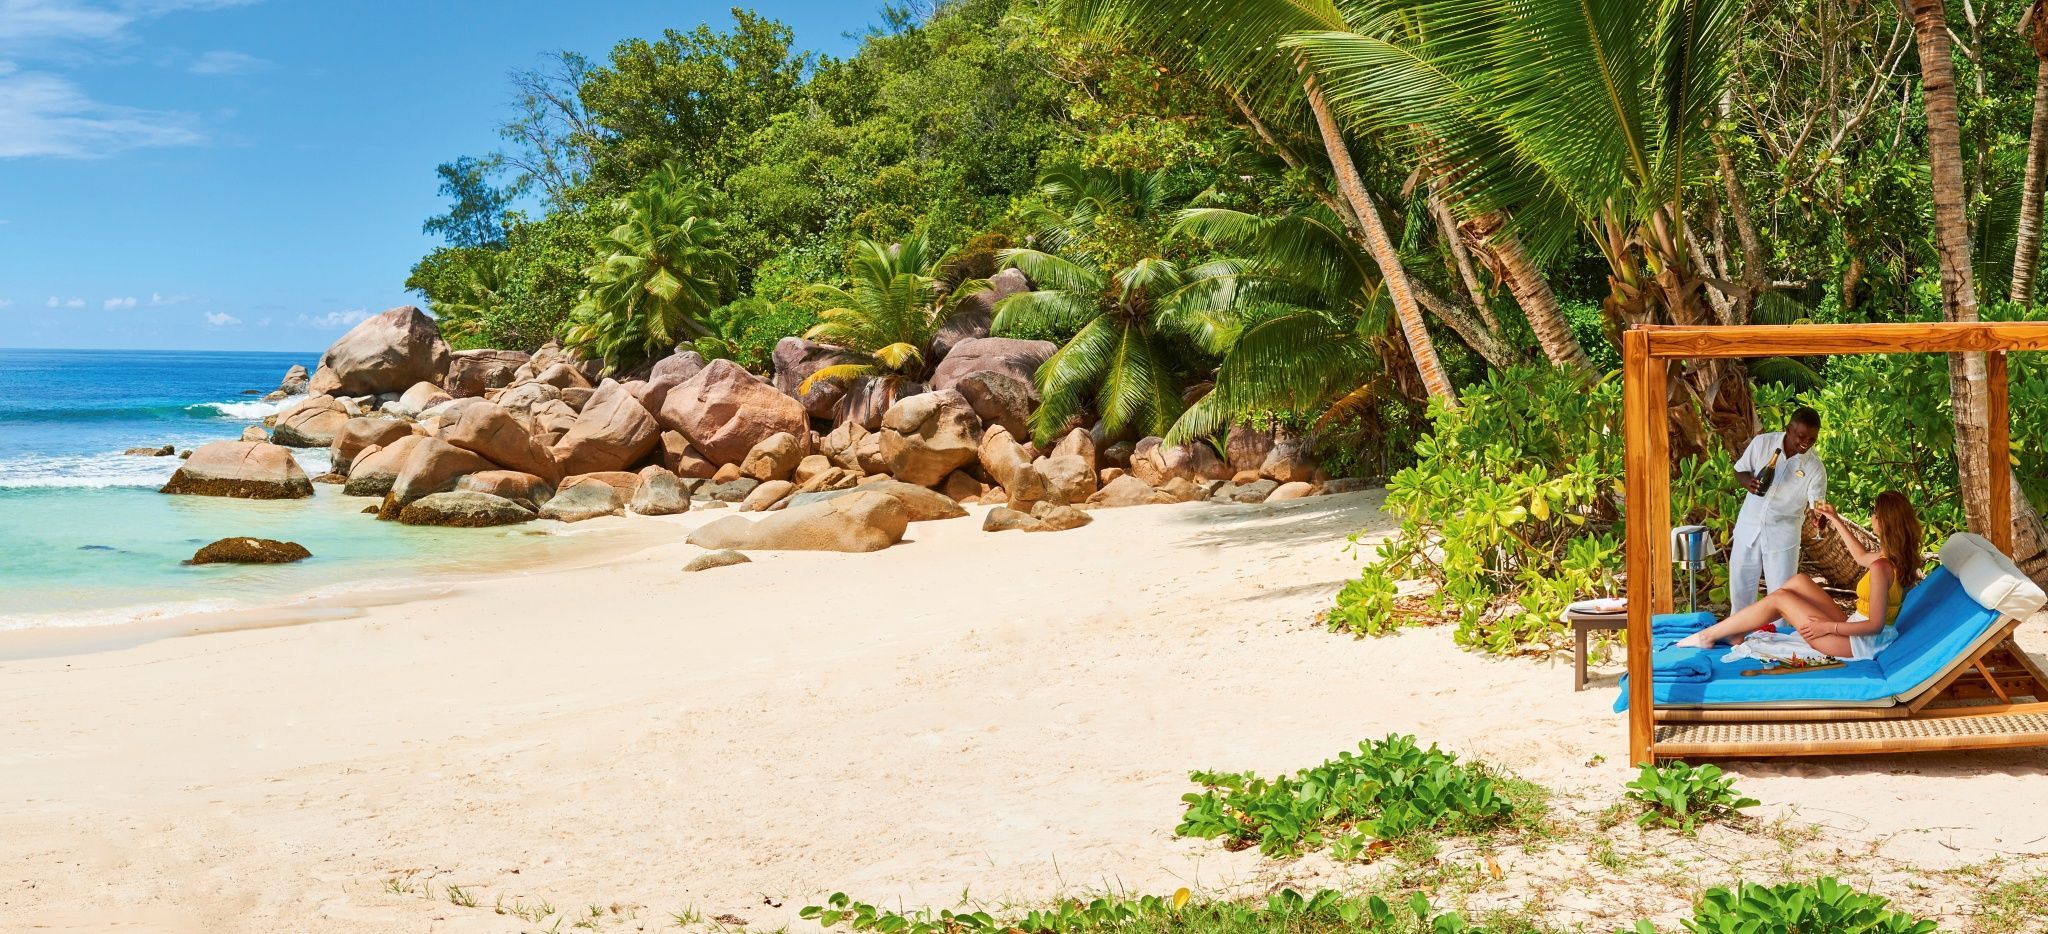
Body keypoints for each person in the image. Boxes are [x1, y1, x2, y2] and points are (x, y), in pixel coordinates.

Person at [1675, 491, 1924, 660]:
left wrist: (1826, 627)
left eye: (1874, 512)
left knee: (1780, 598)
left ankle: (1708, 636)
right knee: (1798, 581)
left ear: (1883, 521)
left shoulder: (1882, 569)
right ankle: (1737, 631)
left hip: (1858, 644)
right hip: (1857, 629)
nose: (1871, 516)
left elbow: (1874, 625)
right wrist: (1835, 519)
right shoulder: (1892, 559)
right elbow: (1859, 557)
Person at [1727, 407, 1827, 614]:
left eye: (1812, 439)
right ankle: (1738, 640)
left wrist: (1819, 517)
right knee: (1740, 594)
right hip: (1749, 529)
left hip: (1783, 536)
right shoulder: (1762, 444)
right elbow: (1739, 470)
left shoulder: (1815, 468)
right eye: (1801, 436)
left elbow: (1816, 504)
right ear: (1788, 429)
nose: (1806, 442)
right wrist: (1748, 483)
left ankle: (1779, 641)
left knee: (1783, 597)